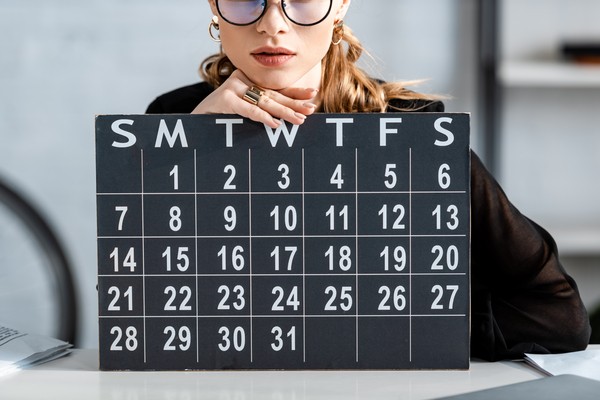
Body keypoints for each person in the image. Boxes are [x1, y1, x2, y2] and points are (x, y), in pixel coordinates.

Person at [146, 0, 591, 361]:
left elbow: (559, 316)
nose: (273, 25)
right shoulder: (173, 118)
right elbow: (139, 312)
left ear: (339, 6)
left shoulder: (415, 132)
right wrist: (187, 149)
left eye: (300, 1)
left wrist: (398, 324)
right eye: (247, 1)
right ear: (215, 7)